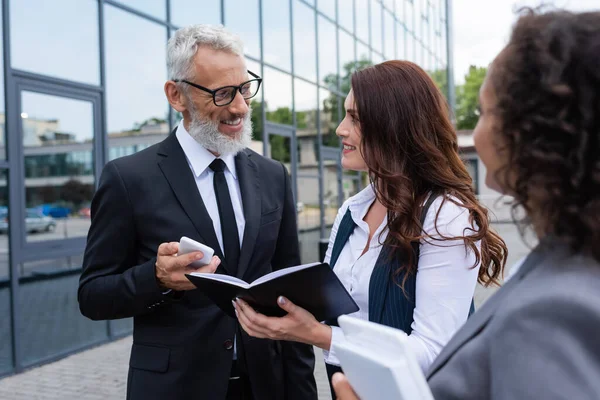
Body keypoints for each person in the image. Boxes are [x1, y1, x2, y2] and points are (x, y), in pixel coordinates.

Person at [332, 8, 600, 400]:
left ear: (536, 136)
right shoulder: (559, 261)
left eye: (485, 113)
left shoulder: (559, 307)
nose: (473, 132)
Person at [233, 60, 507, 397]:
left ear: (394, 127)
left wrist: (318, 335)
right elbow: (336, 316)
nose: (340, 129)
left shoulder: (444, 215)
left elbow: (435, 353)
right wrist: (279, 314)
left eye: (355, 118)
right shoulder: (352, 210)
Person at [78, 24, 317, 400]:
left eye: (244, 88)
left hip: (267, 386)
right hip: (174, 389)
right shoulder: (128, 178)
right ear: (177, 95)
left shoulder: (273, 175)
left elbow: (290, 293)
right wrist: (156, 278)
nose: (239, 106)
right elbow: (92, 295)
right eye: (222, 94)